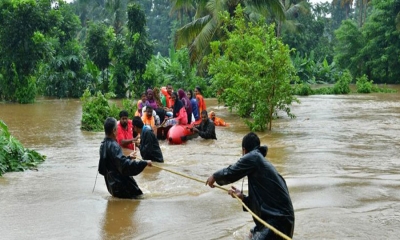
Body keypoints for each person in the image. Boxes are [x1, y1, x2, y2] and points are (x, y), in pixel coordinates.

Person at [205, 132, 295, 240]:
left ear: (244, 150)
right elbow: (261, 205)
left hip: (278, 222)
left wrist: (214, 177)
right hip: (282, 221)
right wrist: (243, 197)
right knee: (251, 233)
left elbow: (231, 172)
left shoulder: (254, 157)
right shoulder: (260, 164)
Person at [98, 117, 152, 199]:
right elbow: (124, 166)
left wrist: (128, 157)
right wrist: (144, 163)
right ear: (114, 131)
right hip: (123, 187)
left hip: (112, 187)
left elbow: (113, 164)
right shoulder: (114, 146)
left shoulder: (102, 145)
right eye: (117, 129)